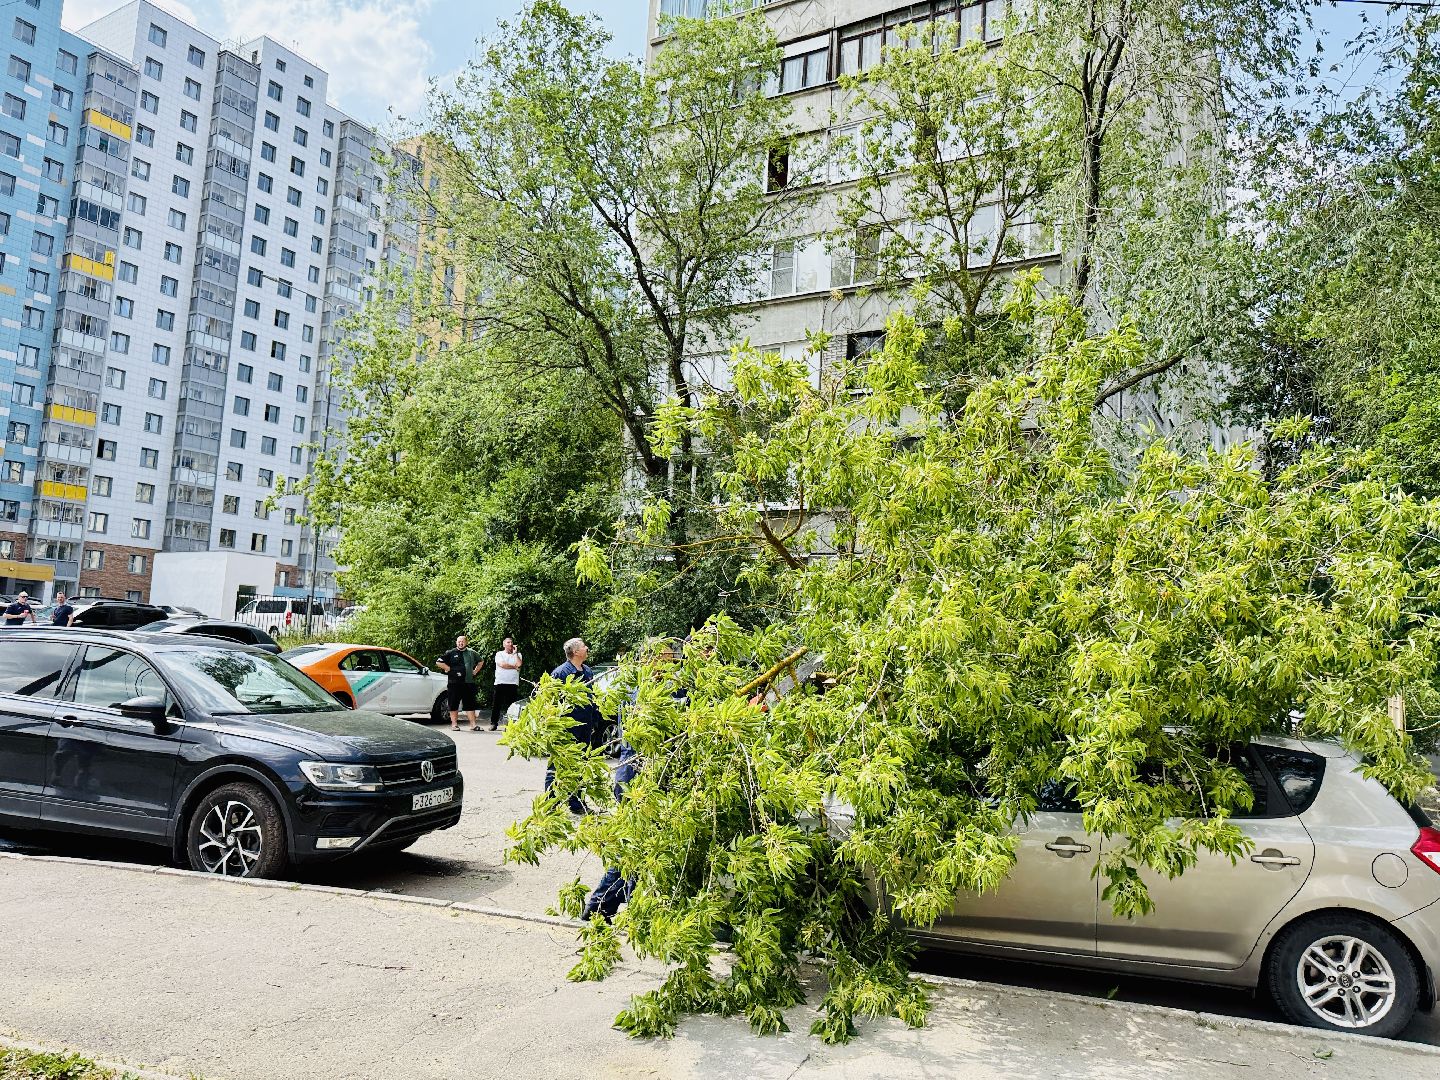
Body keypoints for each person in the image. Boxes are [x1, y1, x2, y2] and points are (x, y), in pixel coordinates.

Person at [544, 637, 602, 815]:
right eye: (584, 646)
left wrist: (595, 720)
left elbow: (592, 698)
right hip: (565, 729)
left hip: (585, 727)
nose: (587, 648)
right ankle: (550, 804)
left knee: (581, 765)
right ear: (576, 652)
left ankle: (577, 804)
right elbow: (549, 702)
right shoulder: (560, 673)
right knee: (558, 766)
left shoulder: (588, 671)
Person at [435, 634, 485, 732]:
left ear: (466, 642)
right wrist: (448, 669)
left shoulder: (471, 652)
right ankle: (454, 725)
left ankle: (473, 725)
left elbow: (481, 661)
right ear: (456, 643)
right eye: (459, 641)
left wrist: (475, 671)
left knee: (470, 704)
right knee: (453, 703)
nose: (460, 643)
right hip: (454, 683)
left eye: (462, 641)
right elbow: (439, 662)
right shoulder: (451, 652)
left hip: (468, 682)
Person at [490, 636, 522, 731]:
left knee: (511, 705)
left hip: (513, 683)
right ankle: (493, 723)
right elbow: (502, 665)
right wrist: (514, 667)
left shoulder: (518, 655)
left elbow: (519, 664)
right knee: (496, 704)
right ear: (504, 644)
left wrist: (515, 653)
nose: (510, 644)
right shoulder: (499, 654)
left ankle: (510, 725)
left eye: (511, 642)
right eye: (508, 642)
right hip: (500, 682)